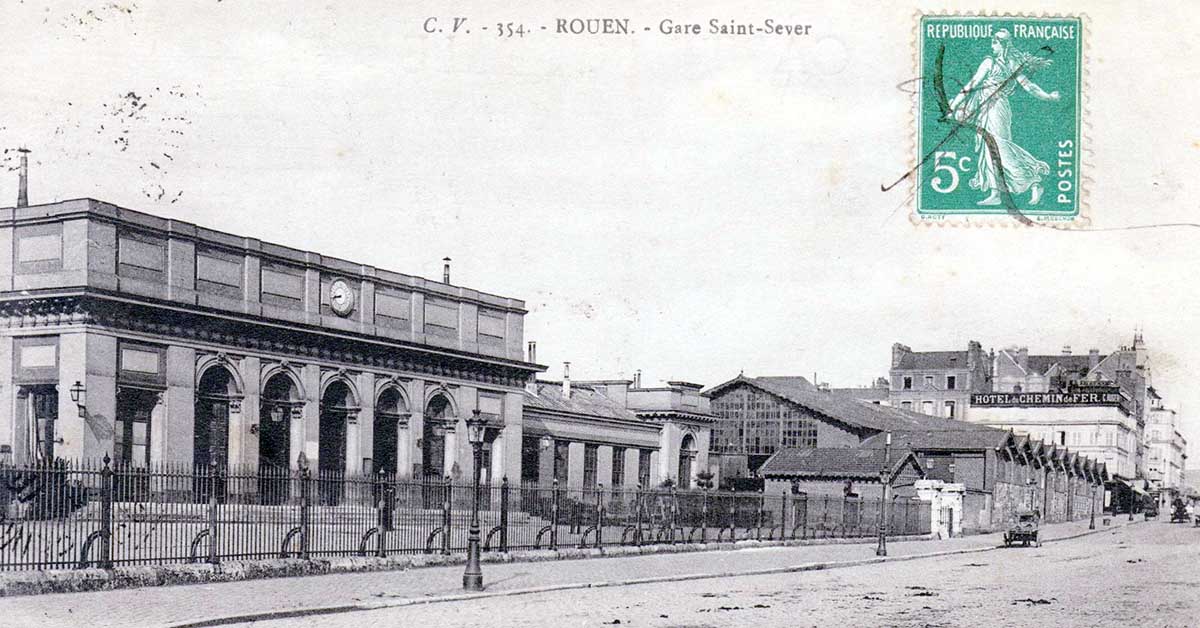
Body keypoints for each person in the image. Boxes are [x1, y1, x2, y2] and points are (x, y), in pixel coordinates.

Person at [947, 29, 1061, 206]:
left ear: (1001, 44)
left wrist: (953, 106)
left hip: (996, 108)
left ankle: (1033, 180)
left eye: (994, 42)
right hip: (989, 108)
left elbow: (972, 85)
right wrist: (1048, 96)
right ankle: (996, 193)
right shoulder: (1011, 63)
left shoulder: (990, 62)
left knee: (998, 146)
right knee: (989, 148)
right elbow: (1029, 87)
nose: (992, 45)